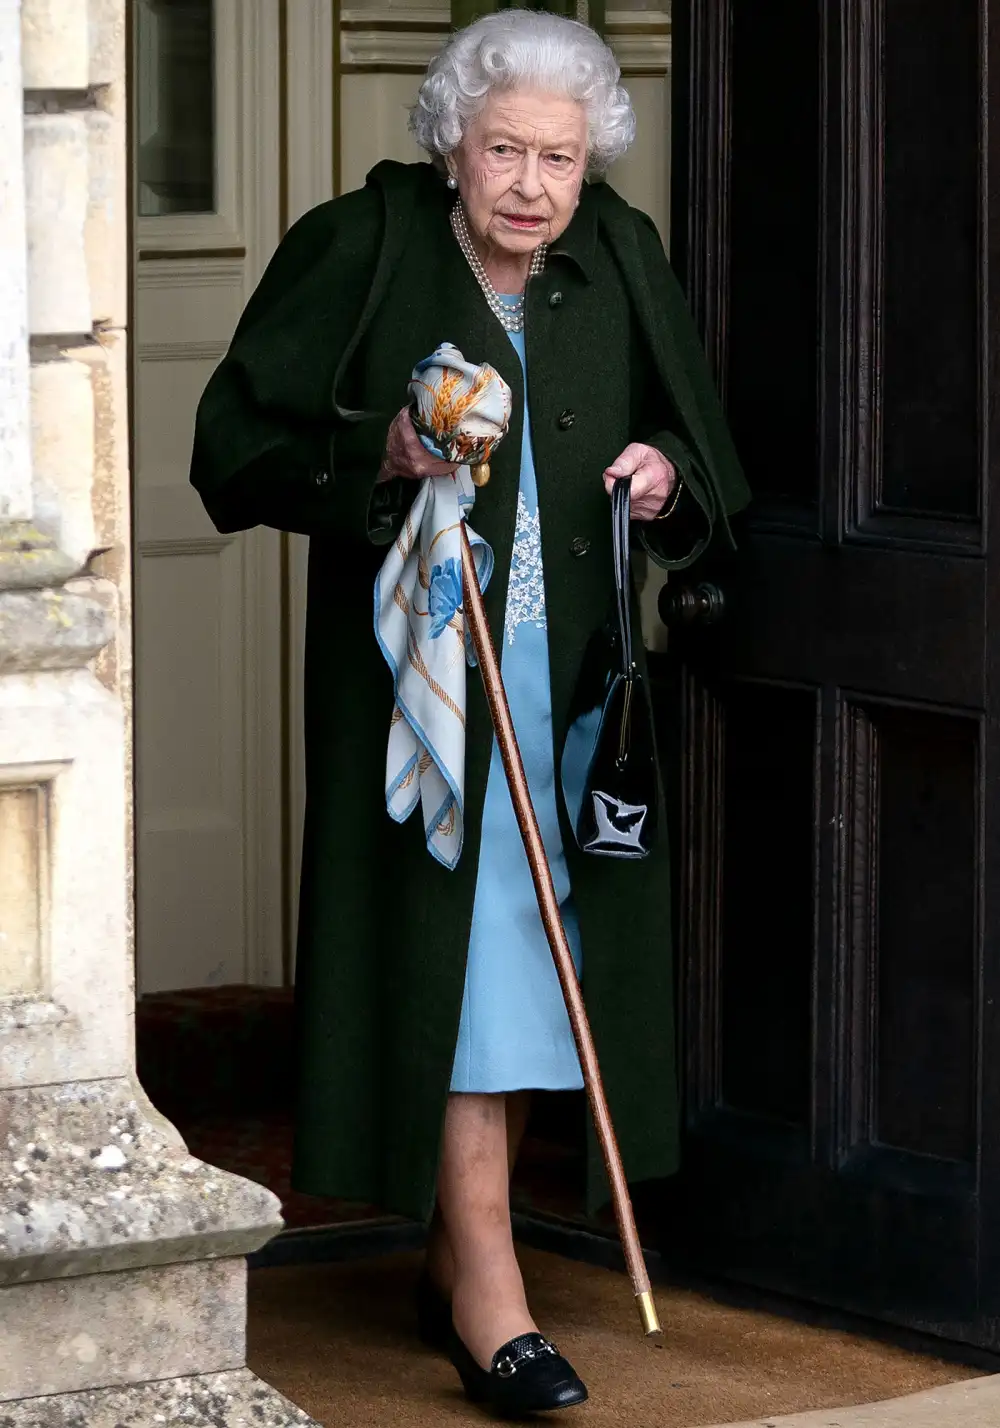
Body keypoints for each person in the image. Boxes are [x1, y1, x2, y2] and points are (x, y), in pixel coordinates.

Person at [190, 9, 748, 1414]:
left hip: (570, 692)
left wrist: (665, 475)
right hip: (427, 702)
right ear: (452, 140)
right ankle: (489, 1289)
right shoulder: (364, 245)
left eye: (559, 158)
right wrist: (381, 443)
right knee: (471, 962)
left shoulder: (617, 254)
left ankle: (458, 1256)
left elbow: (705, 453)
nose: (531, 185)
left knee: (534, 953)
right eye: (505, 147)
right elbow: (230, 452)